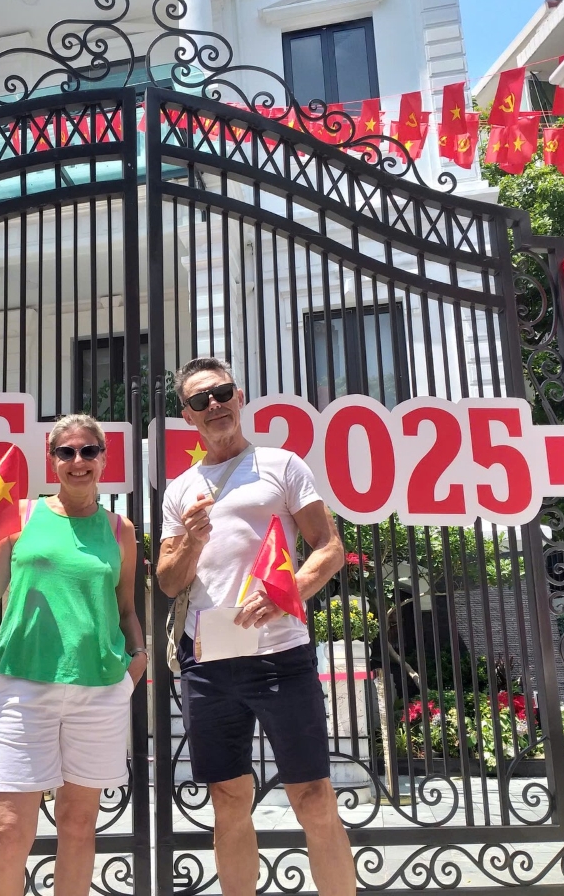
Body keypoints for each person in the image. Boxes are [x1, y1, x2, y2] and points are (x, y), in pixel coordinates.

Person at [156, 357, 355, 896]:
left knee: (312, 796)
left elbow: (329, 548)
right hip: (210, 661)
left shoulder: (281, 464)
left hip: (282, 656)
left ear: (239, 397)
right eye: (200, 400)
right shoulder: (180, 490)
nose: (214, 405)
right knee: (227, 800)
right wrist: (192, 540)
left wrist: (286, 591)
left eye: (221, 392)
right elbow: (169, 581)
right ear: (188, 416)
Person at [0, 413, 147, 896]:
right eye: (67, 452)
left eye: (88, 451)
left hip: (99, 691)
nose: (78, 461)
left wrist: (137, 661)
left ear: (103, 458)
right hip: (23, 687)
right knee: (9, 829)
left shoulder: (121, 530)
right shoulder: (22, 515)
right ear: (51, 460)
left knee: (78, 827)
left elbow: (125, 608)